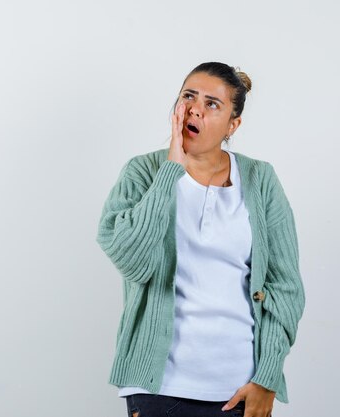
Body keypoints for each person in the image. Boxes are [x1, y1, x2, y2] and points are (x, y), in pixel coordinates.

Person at [95, 62, 305, 417]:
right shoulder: (142, 173)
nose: (195, 108)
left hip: (240, 389)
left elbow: (285, 287)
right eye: (188, 96)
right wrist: (171, 170)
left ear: (232, 125)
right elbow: (131, 259)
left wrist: (267, 377)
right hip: (158, 389)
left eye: (212, 104)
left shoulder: (261, 179)